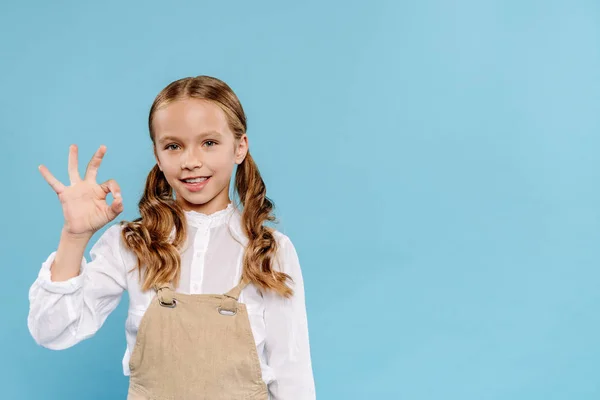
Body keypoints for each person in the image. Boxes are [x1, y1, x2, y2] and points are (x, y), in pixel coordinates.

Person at [28, 75, 316, 399]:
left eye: (209, 142)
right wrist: (74, 236)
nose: (191, 161)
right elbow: (51, 331)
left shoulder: (269, 252)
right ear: (157, 154)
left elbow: (293, 377)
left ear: (239, 147)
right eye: (173, 146)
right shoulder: (132, 244)